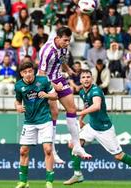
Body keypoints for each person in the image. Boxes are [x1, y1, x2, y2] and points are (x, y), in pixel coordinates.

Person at [63, 69, 131, 188]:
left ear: (92, 79)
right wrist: (81, 119)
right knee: (73, 144)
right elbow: (87, 104)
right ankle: (78, 174)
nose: (86, 79)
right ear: (80, 80)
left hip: (105, 129)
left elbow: (96, 106)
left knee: (119, 156)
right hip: (92, 126)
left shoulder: (96, 90)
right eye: (83, 77)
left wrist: (80, 113)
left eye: (88, 77)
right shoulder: (82, 92)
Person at [38, 26, 92, 164]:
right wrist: (53, 86)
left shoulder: (64, 47)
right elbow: (41, 75)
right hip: (47, 82)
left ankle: (77, 146)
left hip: (59, 78)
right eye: (65, 40)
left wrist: (68, 69)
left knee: (72, 109)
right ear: (57, 38)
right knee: (54, 113)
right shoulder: (46, 51)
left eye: (69, 41)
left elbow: (62, 60)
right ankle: (53, 151)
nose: (67, 43)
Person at [14, 62, 57, 188]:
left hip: (44, 119)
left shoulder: (43, 81)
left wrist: (47, 95)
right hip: (29, 122)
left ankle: (49, 182)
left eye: (30, 71)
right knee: (23, 151)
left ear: (33, 71)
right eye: (25, 72)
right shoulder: (18, 86)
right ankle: (23, 181)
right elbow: (17, 101)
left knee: (48, 149)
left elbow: (55, 95)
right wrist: (17, 107)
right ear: (21, 74)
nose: (28, 74)